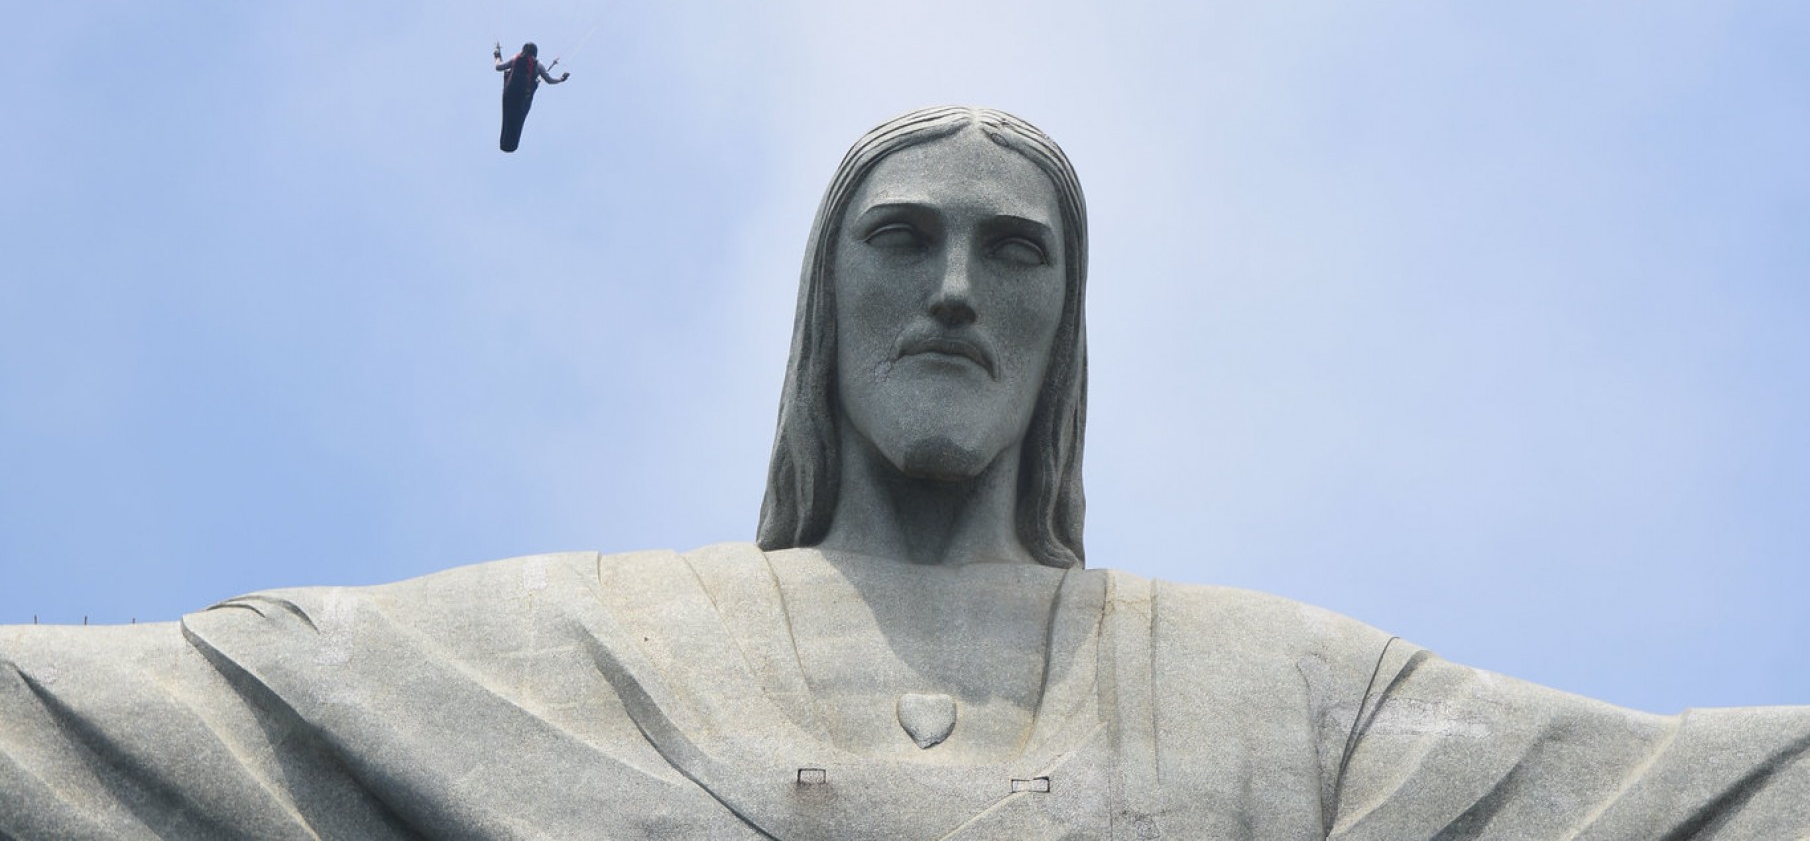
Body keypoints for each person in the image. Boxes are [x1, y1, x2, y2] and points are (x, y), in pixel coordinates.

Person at [1, 106, 1807, 839]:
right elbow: (148, 719)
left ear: (1064, 332)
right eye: (905, 240)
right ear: (824, 301)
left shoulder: (1295, 700)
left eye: (1014, 254)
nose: (954, 289)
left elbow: (1678, 798)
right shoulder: (593, 641)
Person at [493, 40, 569, 153]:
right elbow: (549, 80)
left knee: (507, 119)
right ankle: (510, 145)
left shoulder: (515, 58)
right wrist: (561, 79)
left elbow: (498, 67)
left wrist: (497, 55)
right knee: (517, 121)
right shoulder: (538, 64)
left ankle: (506, 144)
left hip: (509, 94)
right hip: (523, 98)